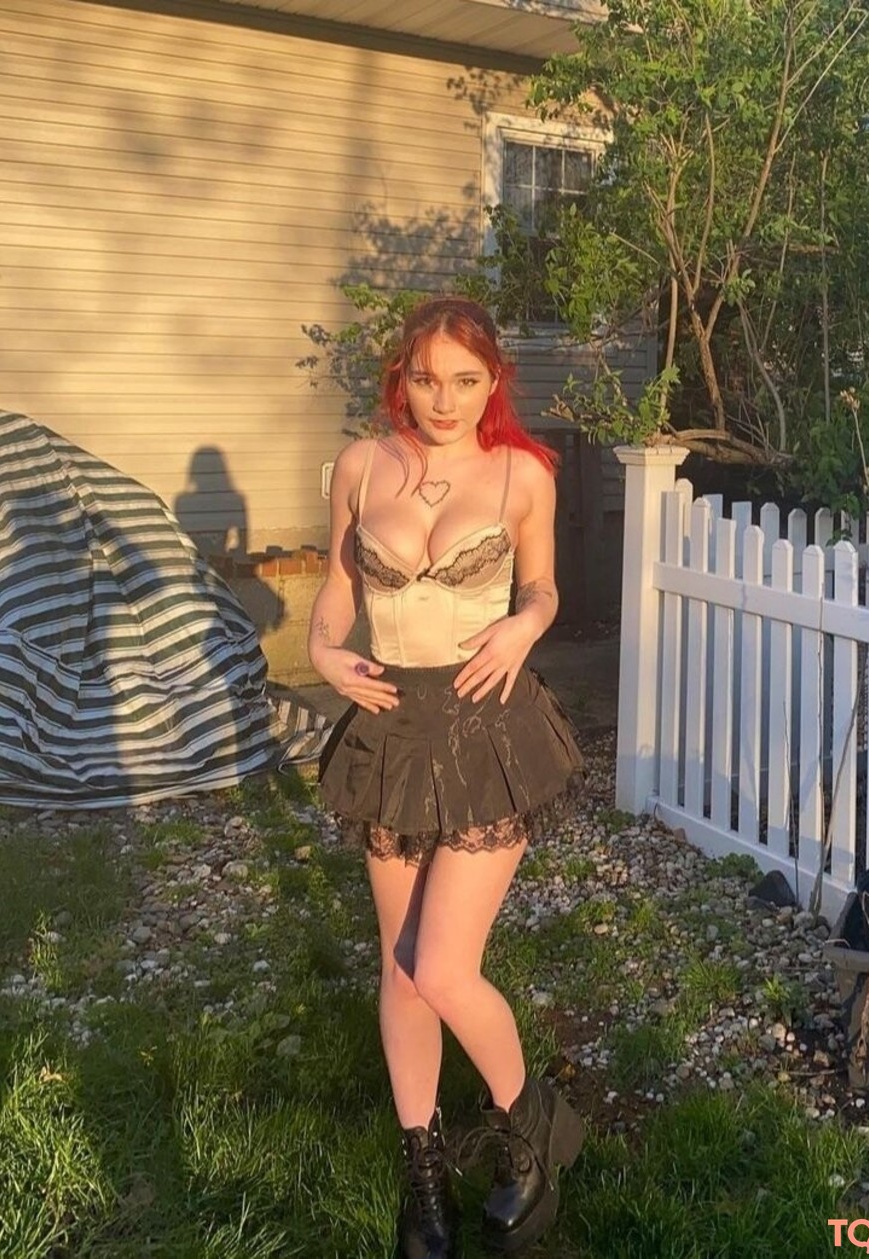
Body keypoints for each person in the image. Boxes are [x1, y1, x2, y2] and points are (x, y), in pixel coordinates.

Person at [309, 296, 586, 1258]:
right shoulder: (359, 465)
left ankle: (530, 1127)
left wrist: (526, 624)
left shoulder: (523, 473)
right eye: (427, 378)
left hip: (487, 731)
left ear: (493, 380)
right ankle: (423, 1171)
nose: (445, 399)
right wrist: (323, 649)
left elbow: (543, 584)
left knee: (442, 966)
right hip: (391, 726)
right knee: (400, 965)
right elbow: (339, 583)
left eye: (466, 380)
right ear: (403, 375)